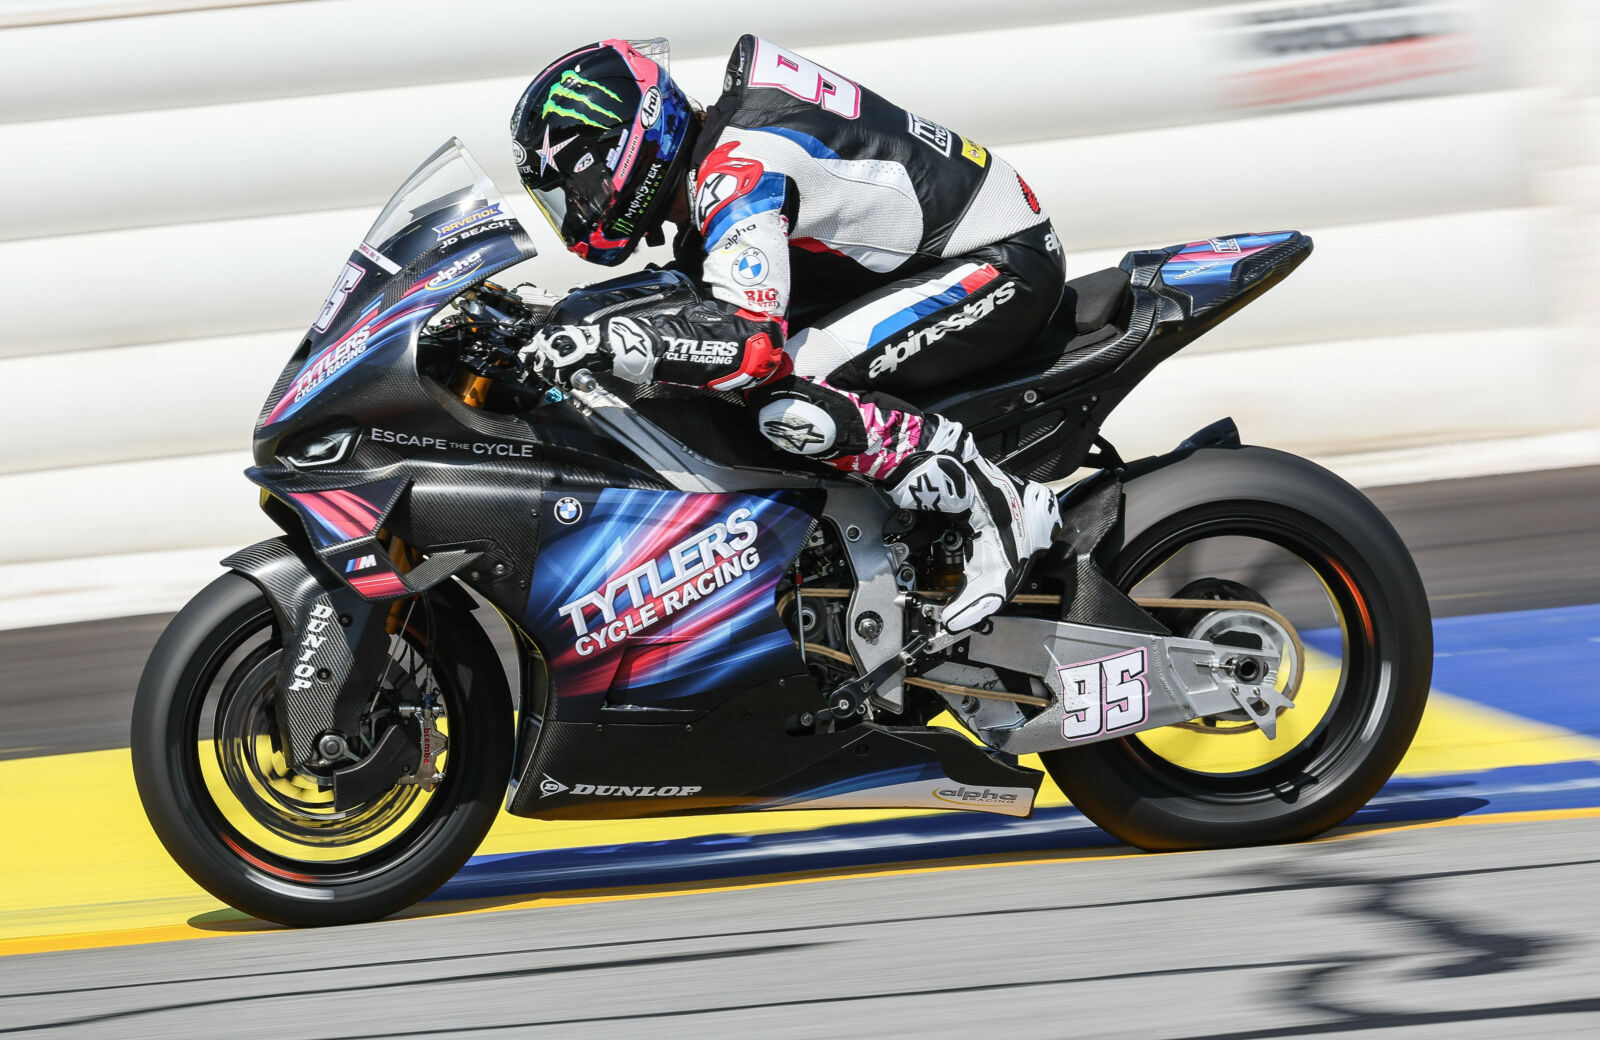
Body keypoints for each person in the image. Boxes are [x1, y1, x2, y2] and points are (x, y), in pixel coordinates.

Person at [511, 36, 1063, 634]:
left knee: (789, 400)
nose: (580, 208)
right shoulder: (718, 158)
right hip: (934, 258)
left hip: (998, 264)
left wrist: (606, 342)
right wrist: (554, 315)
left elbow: (751, 345)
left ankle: (998, 506)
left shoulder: (736, 169)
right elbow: (692, 293)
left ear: (624, 146)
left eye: (579, 185)